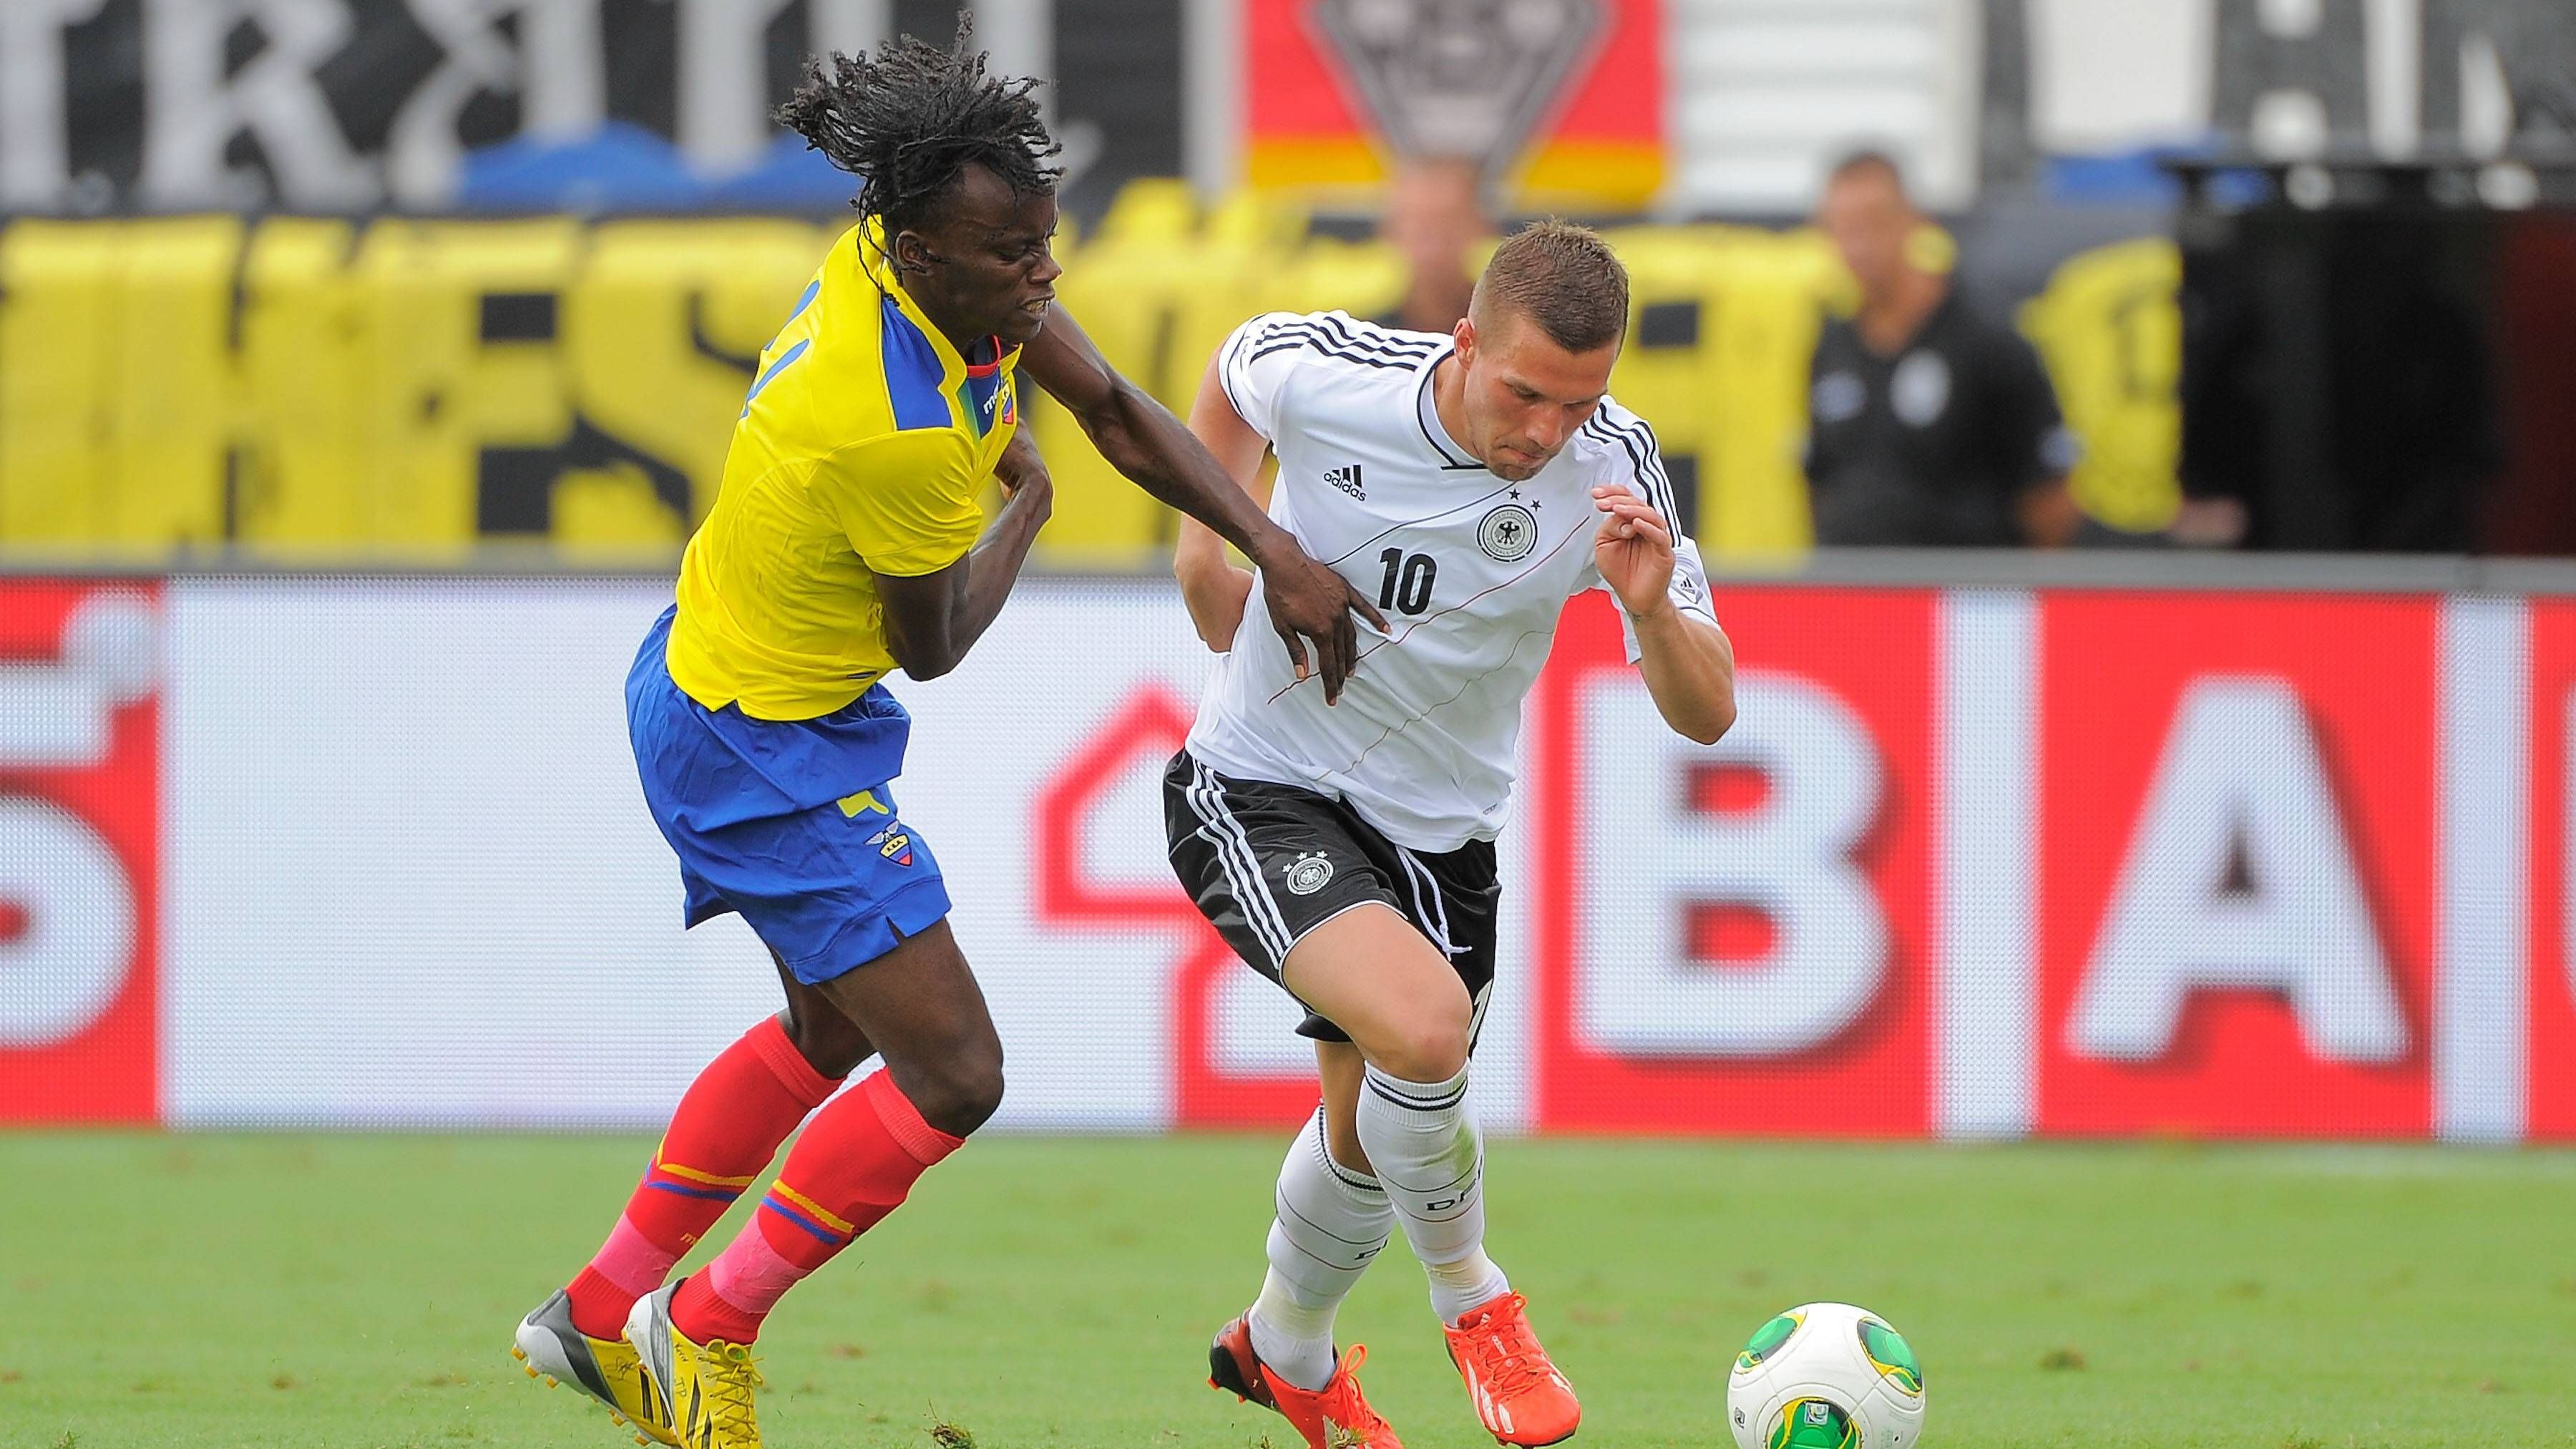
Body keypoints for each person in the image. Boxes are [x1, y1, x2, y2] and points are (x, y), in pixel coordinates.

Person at [508, 29, 1377, 1449]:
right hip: (755, 737)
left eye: (1046, 245)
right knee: (956, 1071)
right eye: (1008, 257)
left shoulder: (920, 260)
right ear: (913, 246)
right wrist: (1024, 507)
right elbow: (935, 644)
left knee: (833, 1022)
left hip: (733, 679)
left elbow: (1105, 403)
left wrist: (1270, 542)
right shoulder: (894, 423)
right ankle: (700, 1325)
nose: (1038, 279)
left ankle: (600, 1312)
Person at [1168, 223, 1737, 1449]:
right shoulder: (1334, 376)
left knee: (1369, 1132)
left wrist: (1652, 614)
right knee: (1423, 1035)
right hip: (1259, 783)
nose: (1544, 431)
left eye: (1574, 403)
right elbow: (1228, 372)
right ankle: (1475, 1299)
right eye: (1524, 391)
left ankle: (1279, 1347)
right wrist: (1207, 537)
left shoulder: (1615, 465)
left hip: (1443, 841)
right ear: (1467, 341)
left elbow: (1708, 714)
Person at [1804, 150, 2080, 547]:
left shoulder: (1987, 339)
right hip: (1858, 597)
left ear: (1912, 222)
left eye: (1871, 225)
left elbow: (2049, 496)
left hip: (1967, 598)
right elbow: (1822, 482)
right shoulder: (1832, 347)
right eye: (1841, 229)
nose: (1856, 247)